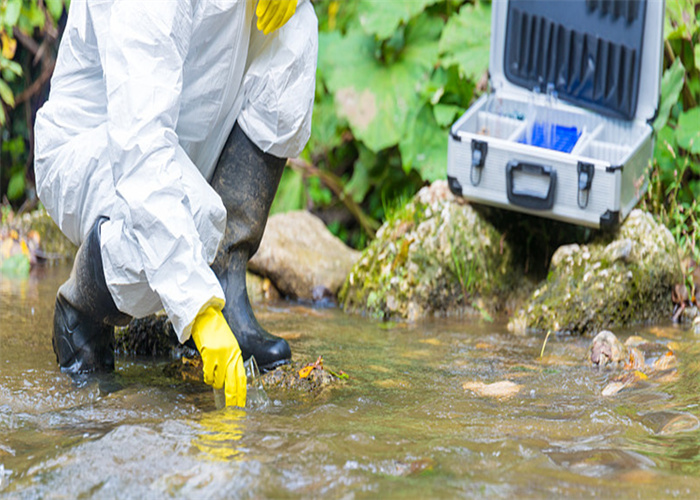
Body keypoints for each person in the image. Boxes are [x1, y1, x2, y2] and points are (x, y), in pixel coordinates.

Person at [33, 0, 318, 408]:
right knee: (191, 217)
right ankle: (82, 307)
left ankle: (225, 282)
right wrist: (197, 310)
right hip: (99, 148)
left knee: (296, 25)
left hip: (186, 139)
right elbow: (141, 150)